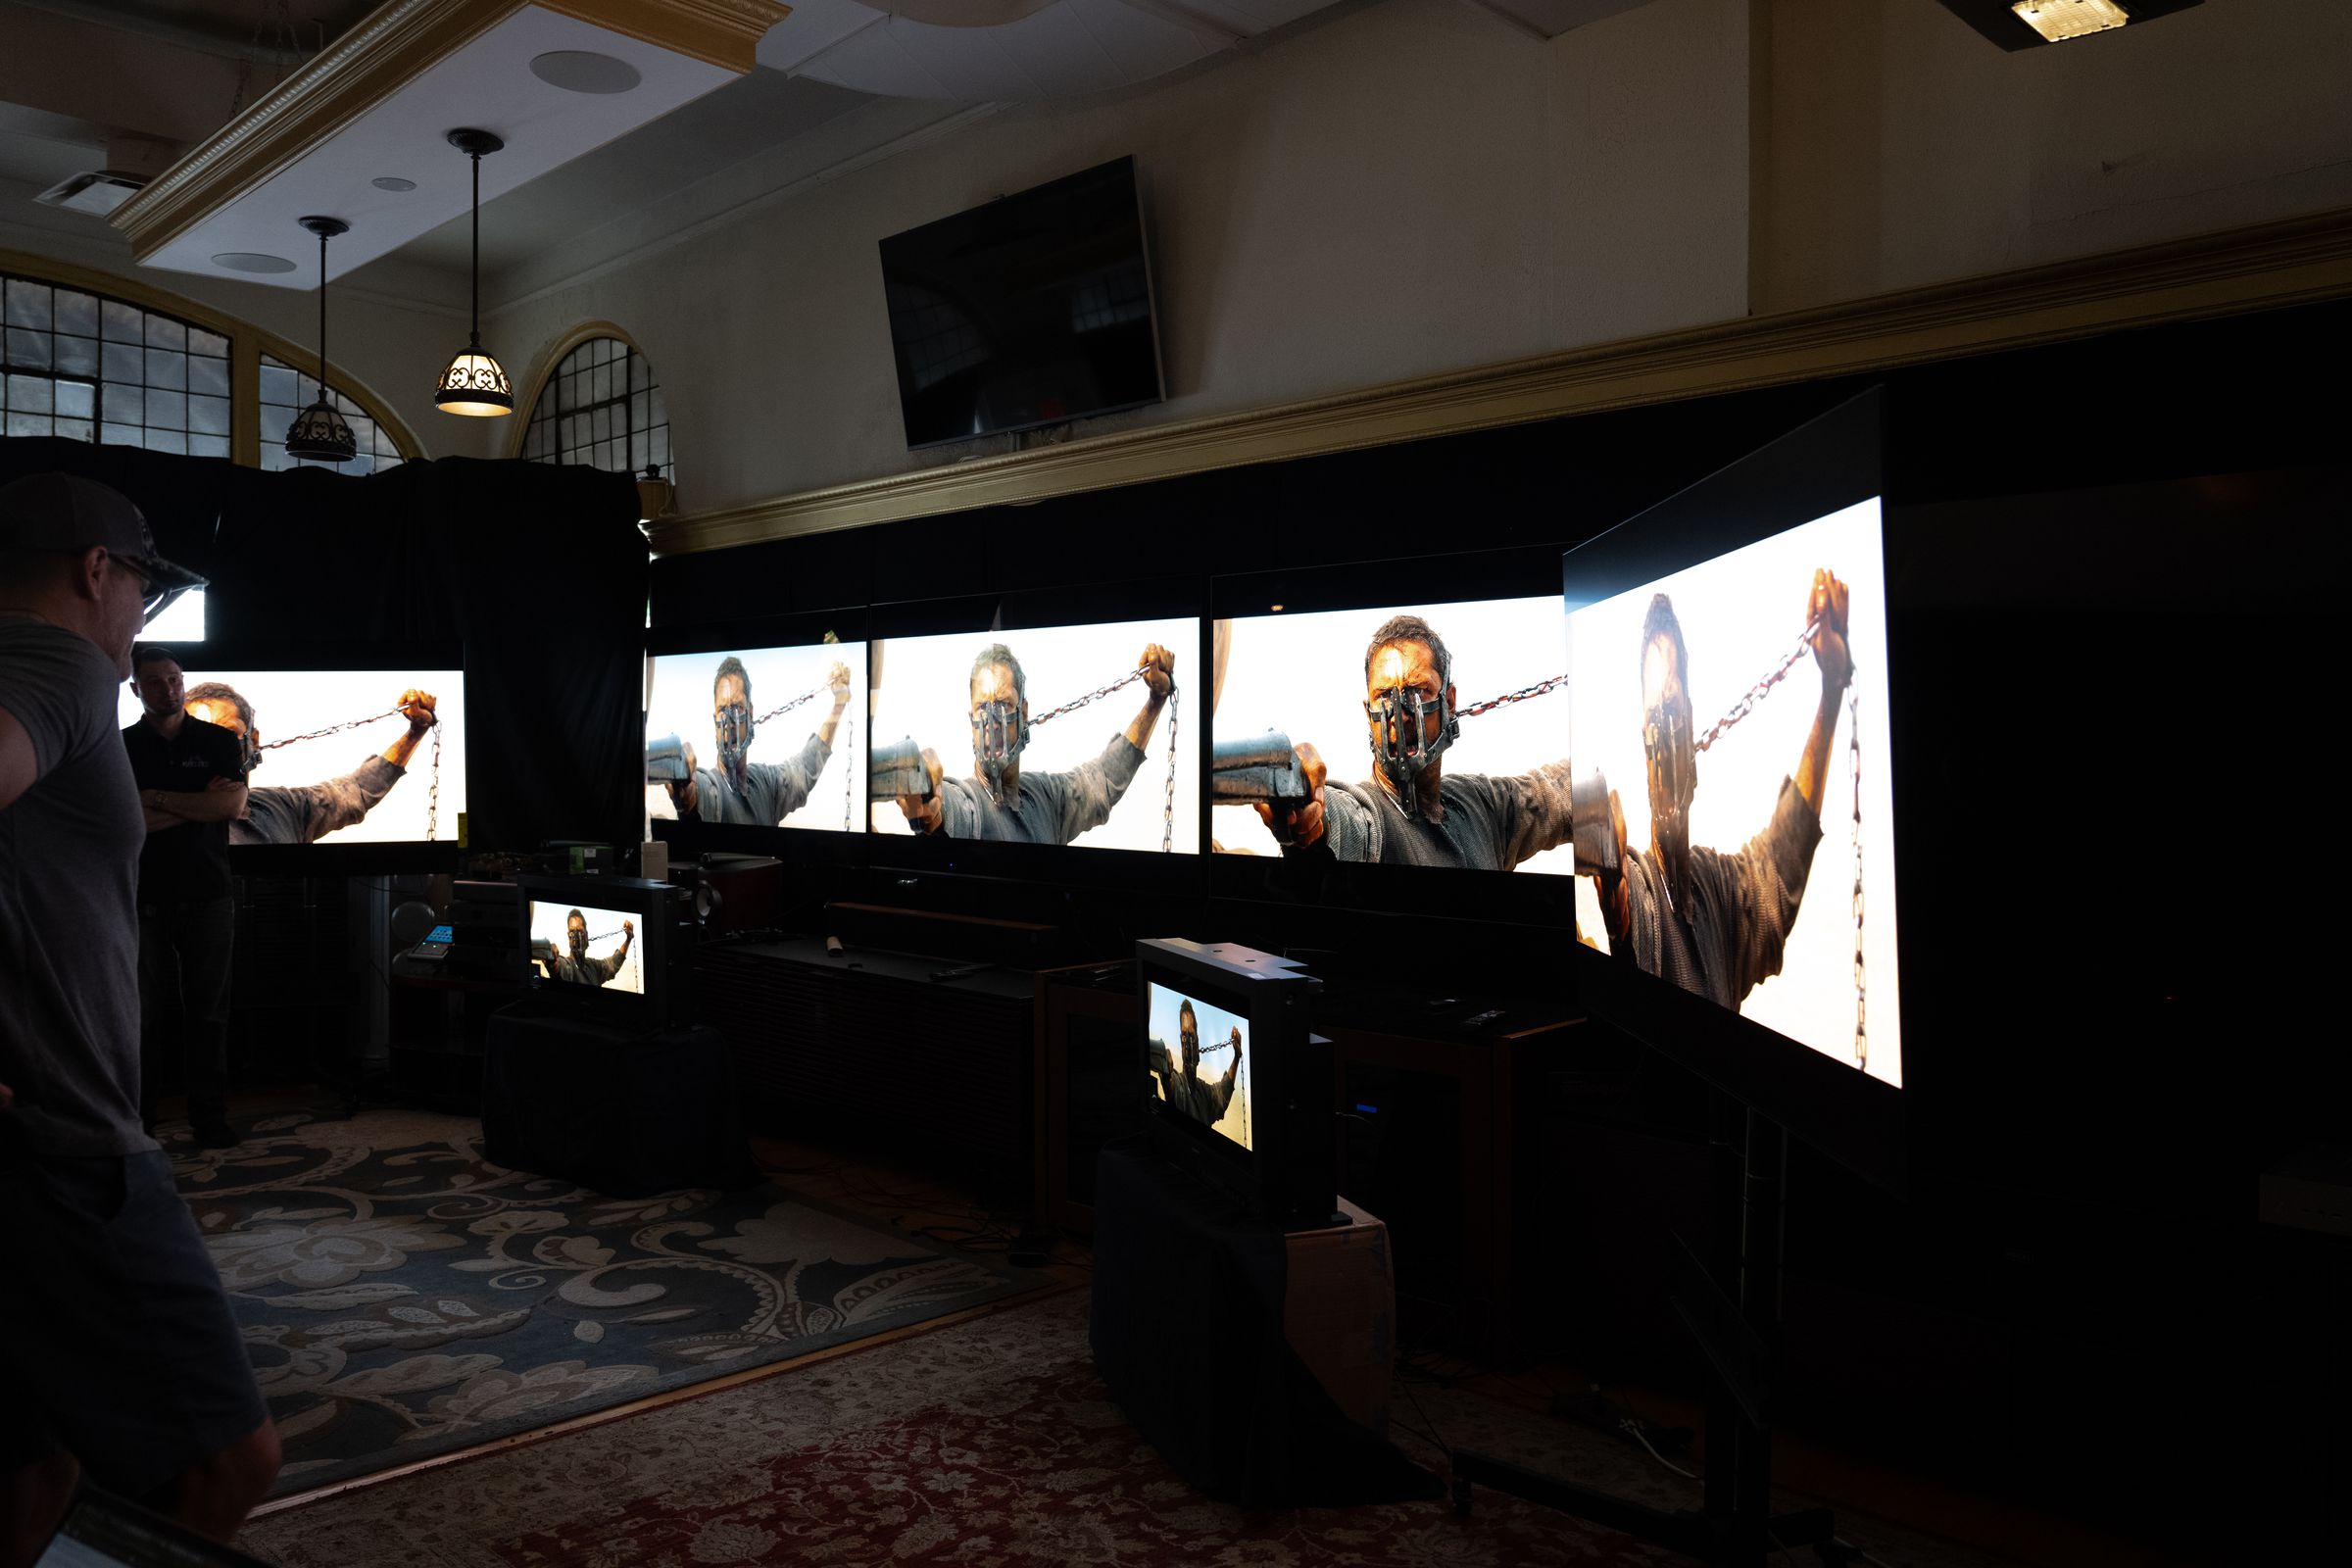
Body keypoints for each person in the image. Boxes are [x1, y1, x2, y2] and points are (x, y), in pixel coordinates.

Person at [0, 473, 279, 1562]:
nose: (140, 628)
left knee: (36, 1461)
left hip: (30, 1141)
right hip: (65, 1148)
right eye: (142, 594)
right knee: (228, 1460)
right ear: (95, 572)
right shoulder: (58, 661)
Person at [1589, 571, 1852, 1010]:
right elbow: (1626, 916)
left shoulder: (1721, 891)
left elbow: (1787, 848)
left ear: (1691, 718)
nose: (1666, 729)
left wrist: (1832, 687)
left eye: (1672, 708)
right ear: (1642, 737)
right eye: (1656, 714)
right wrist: (1615, 906)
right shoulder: (1637, 881)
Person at [1253, 614, 1575, 869]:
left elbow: (1554, 794)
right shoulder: (1369, 819)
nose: (1401, 714)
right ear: (1369, 713)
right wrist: (1304, 801)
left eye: (1418, 691)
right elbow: (1336, 822)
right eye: (1383, 696)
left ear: (1449, 702)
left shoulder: (1480, 805)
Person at [122, 648, 247, 1148]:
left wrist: (154, 797)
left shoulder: (218, 741)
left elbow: (234, 803)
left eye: (173, 679)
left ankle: (209, 1120)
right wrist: (201, 805)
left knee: (209, 1012)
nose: (166, 689)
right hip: (141, 897)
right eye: (153, 682)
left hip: (208, 895)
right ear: (135, 690)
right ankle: (140, 1122)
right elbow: (124, 822)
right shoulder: (120, 746)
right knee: (140, 1016)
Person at [895, 641, 1176, 844]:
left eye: (1004, 704)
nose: (992, 720)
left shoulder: (1047, 799)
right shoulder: (968, 805)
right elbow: (944, 808)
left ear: (1024, 712)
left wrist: (1155, 702)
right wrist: (925, 793)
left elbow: (1103, 780)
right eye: (982, 708)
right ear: (971, 721)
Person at [183, 681, 438, 845]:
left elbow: (358, 790)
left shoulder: (283, 808)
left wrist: (415, 732)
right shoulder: (161, 819)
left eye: (227, 733)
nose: (214, 747)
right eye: (200, 736)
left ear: (254, 740)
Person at [665, 656, 850, 824]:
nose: (730, 722)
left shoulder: (766, 785)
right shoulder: (712, 788)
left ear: (750, 714)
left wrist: (839, 704)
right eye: (722, 710)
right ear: (715, 721)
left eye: (737, 707)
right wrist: (685, 786)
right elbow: (698, 794)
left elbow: (806, 767)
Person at [1146, 999, 1243, 1133]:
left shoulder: (1205, 1092)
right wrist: (1166, 1074)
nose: (1187, 1042)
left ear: (1197, 1040)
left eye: (1191, 1035)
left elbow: (1223, 1093)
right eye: (1184, 1036)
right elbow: (1172, 1089)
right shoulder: (1178, 1082)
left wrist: (1237, 1056)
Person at [539, 909, 634, 987]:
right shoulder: (566, 966)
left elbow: (614, 962)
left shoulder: (595, 967)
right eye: (572, 931)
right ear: (568, 936)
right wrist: (551, 959)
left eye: (580, 931)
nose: (576, 935)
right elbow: (556, 967)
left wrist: (628, 939)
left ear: (586, 935)